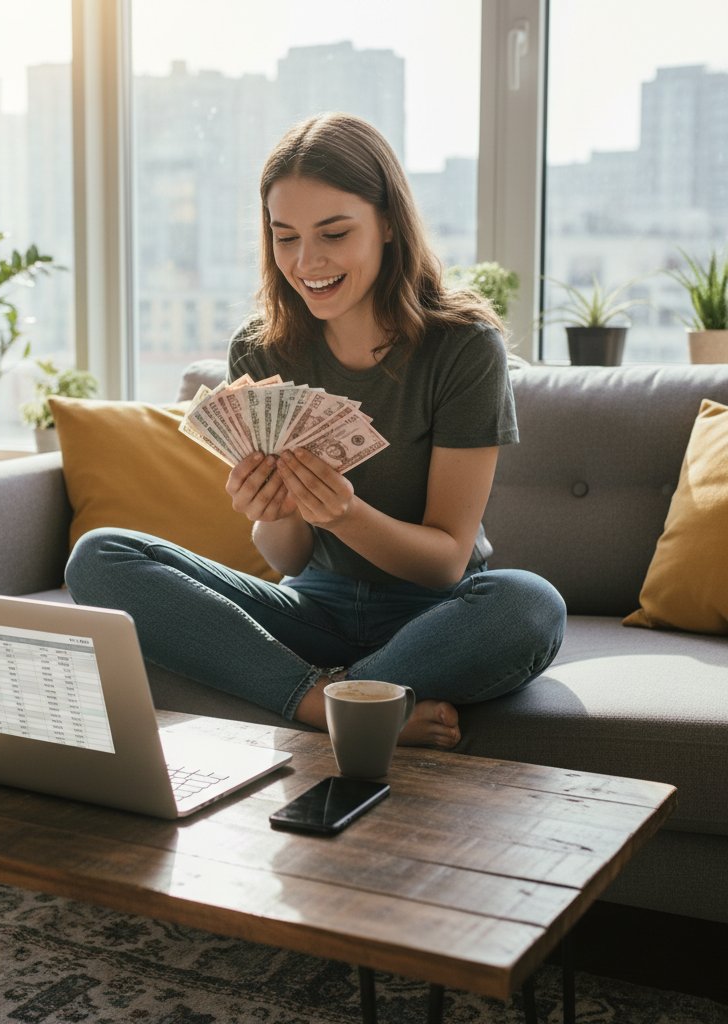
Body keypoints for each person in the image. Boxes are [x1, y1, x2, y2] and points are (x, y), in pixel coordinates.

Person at [65, 112, 566, 749]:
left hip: (435, 617)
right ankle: (329, 705)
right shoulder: (263, 349)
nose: (307, 262)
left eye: (333, 233)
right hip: (311, 609)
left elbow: (444, 563)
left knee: (531, 604)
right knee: (101, 555)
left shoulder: (464, 349)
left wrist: (345, 513)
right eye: (285, 237)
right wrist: (268, 511)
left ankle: (331, 692)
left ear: (387, 223)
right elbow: (288, 557)